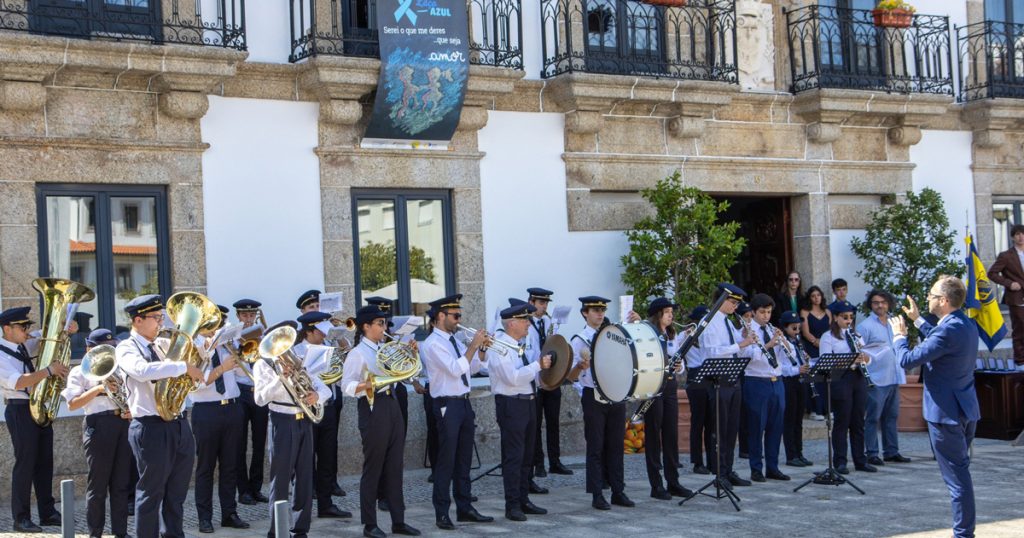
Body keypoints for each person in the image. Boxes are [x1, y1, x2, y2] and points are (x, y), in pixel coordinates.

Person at [890, 277, 981, 538]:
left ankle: (964, 534)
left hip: (946, 414)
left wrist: (899, 337)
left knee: (957, 479)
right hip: (964, 409)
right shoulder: (964, 324)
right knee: (960, 473)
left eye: (931, 294)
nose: (927, 297)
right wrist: (918, 320)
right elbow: (939, 341)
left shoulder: (947, 330)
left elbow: (907, 360)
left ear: (943, 300)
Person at [115, 294, 204, 538]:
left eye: (161, 317)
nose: (161, 323)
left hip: (179, 424)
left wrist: (199, 350)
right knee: (150, 494)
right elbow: (142, 371)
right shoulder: (125, 348)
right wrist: (183, 367)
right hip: (150, 427)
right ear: (137, 320)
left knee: (176, 494)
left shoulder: (162, 345)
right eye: (156, 318)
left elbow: (192, 361)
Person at [340, 305, 421, 538]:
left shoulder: (384, 348)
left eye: (385, 323)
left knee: (395, 466)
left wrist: (411, 355)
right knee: (373, 468)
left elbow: (408, 375)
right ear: (366, 326)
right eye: (380, 323)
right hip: (372, 407)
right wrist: (369, 385)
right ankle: (369, 524)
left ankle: (399, 521)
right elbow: (346, 386)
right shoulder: (357, 354)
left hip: (392, 404)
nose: (384, 328)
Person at [420, 294, 494, 530]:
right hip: (446, 404)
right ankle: (442, 512)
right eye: (455, 316)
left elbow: (471, 367)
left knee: (464, 459)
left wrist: (481, 349)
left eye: (459, 315)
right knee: (446, 461)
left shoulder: (454, 340)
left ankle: (465, 508)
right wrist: (473, 345)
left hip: (463, 403)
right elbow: (454, 369)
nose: (459, 320)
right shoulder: (432, 343)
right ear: (440, 316)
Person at [254, 320, 331, 538]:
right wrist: (282, 378)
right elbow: (260, 399)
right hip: (282, 420)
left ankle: (300, 530)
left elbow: (325, 389)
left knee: (305, 479)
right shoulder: (264, 365)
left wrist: (317, 396)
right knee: (280, 480)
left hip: (304, 420)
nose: (284, 349)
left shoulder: (298, 360)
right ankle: (276, 532)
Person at [1, 306, 67, 533]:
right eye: (22, 327)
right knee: (25, 464)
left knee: (44, 463)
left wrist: (65, 328)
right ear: (7, 329)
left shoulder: (23, 345)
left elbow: (47, 335)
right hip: (19, 410)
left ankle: (47, 512)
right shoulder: (0, 354)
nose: (27, 331)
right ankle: (21, 518)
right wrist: (49, 370)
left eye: (27, 326)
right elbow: (19, 382)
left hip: (38, 407)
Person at [63, 328, 132, 538]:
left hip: (122, 422)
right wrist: (98, 389)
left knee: (121, 484)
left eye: (112, 347)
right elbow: (72, 404)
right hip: (98, 425)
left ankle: (121, 533)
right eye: (105, 347)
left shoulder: (121, 368)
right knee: (98, 485)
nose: (110, 351)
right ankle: (95, 534)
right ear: (90, 349)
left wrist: (130, 408)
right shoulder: (79, 371)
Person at [569, 295, 637, 510]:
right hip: (594, 396)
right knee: (596, 447)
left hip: (615, 395)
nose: (600, 314)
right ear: (585, 313)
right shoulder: (579, 339)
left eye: (602, 310)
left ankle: (618, 490)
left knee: (616, 445)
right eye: (594, 310)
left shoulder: (613, 335)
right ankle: (597, 494)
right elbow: (570, 377)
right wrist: (581, 369)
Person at [488, 301, 552, 521]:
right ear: (512, 323)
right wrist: (537, 366)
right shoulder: (501, 346)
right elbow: (512, 378)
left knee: (527, 456)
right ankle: (512, 504)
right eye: (525, 320)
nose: (528, 324)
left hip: (527, 401)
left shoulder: (519, 344)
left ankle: (524, 499)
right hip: (511, 403)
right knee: (514, 456)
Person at [190, 307, 250, 533]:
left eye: (219, 324)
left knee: (230, 465)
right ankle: (204, 517)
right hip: (206, 411)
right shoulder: (193, 348)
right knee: (205, 467)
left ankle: (229, 513)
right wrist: (220, 368)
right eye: (213, 324)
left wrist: (241, 355)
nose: (217, 328)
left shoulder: (226, 346)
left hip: (232, 409)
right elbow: (197, 383)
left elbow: (243, 376)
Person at [294, 310, 352, 520]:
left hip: (327, 407)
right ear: (310, 331)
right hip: (306, 410)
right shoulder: (296, 351)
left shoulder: (329, 348)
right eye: (321, 330)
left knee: (327, 458)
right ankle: (303, 507)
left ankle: (326, 504)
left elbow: (344, 369)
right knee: (305, 460)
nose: (325, 334)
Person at [697, 284, 756, 489]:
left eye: (737, 303)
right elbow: (713, 352)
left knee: (732, 429)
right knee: (719, 429)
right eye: (733, 302)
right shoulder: (710, 322)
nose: (735, 306)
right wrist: (740, 344)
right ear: (721, 299)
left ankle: (729, 469)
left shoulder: (729, 324)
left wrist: (749, 343)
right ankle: (719, 472)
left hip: (733, 379)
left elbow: (736, 353)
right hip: (717, 381)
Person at [643, 297, 694, 499]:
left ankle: (673, 481)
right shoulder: (650, 334)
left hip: (671, 387)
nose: (671, 315)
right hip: (654, 387)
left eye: (671, 312)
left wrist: (678, 365)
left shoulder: (671, 335)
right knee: (654, 435)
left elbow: (678, 363)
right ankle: (656, 485)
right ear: (658, 315)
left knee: (671, 435)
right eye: (667, 312)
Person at [818, 300, 873, 475]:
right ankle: (840, 461)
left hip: (858, 378)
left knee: (858, 421)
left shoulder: (856, 335)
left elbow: (867, 357)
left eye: (851, 317)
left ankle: (860, 460)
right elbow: (825, 361)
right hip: (841, 379)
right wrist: (849, 360)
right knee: (842, 422)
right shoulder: (828, 337)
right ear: (835, 317)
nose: (848, 320)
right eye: (844, 317)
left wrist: (865, 358)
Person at [859, 289, 911, 466]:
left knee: (891, 416)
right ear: (870, 305)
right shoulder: (865, 326)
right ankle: (872, 453)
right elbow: (859, 352)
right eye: (875, 302)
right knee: (873, 417)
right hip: (876, 378)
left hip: (894, 376)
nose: (880, 305)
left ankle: (891, 451)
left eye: (883, 302)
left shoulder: (895, 322)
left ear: (888, 303)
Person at [524, 287, 572, 477]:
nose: (544, 307)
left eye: (546, 304)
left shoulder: (548, 322)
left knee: (553, 423)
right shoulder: (526, 324)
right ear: (531, 303)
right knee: (535, 424)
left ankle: (555, 461)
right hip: (535, 380)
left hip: (552, 379)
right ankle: (538, 463)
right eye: (541, 303)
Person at [741, 294, 789, 482]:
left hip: (777, 381)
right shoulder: (747, 331)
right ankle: (756, 468)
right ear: (753, 313)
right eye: (762, 312)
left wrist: (783, 342)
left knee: (775, 427)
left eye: (769, 312)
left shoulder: (772, 329)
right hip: (756, 381)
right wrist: (769, 345)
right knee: (756, 427)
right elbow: (748, 355)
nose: (766, 316)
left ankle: (773, 467)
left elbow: (787, 355)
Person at [232, 298, 270, 506]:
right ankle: (243, 490)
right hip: (240, 391)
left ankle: (256, 488)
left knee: (259, 441)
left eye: (251, 315)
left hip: (260, 390)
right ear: (237, 316)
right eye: (244, 315)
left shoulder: (262, 335)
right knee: (240, 443)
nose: (248, 319)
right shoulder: (231, 335)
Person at [778, 312, 812, 468]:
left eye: (798, 327)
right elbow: (780, 367)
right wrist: (797, 369)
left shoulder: (797, 341)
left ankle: (800, 453)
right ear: (785, 327)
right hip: (789, 382)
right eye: (793, 328)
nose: (797, 331)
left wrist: (805, 360)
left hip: (800, 381)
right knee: (790, 420)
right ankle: (791, 455)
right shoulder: (781, 343)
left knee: (798, 420)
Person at [987, 223, 1024, 368]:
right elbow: (992, 273)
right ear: (1013, 237)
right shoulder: (1006, 256)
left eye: (1022, 233)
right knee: (1020, 329)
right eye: (1017, 234)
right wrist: (1009, 283)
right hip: (1016, 298)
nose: (1021, 237)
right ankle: (1020, 362)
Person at [683, 305, 713, 475]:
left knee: (711, 422)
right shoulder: (686, 335)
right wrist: (688, 338)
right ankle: (697, 462)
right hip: (695, 376)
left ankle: (711, 460)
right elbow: (677, 352)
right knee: (698, 421)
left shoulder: (709, 335)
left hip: (709, 375)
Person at [800, 285, 832, 421]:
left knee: (826, 377)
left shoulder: (828, 311)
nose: (816, 298)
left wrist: (825, 343)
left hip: (826, 347)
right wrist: (815, 341)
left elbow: (831, 331)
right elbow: (805, 332)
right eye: (813, 296)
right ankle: (815, 409)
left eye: (818, 295)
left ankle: (827, 409)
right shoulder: (805, 312)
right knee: (814, 377)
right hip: (811, 347)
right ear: (809, 298)